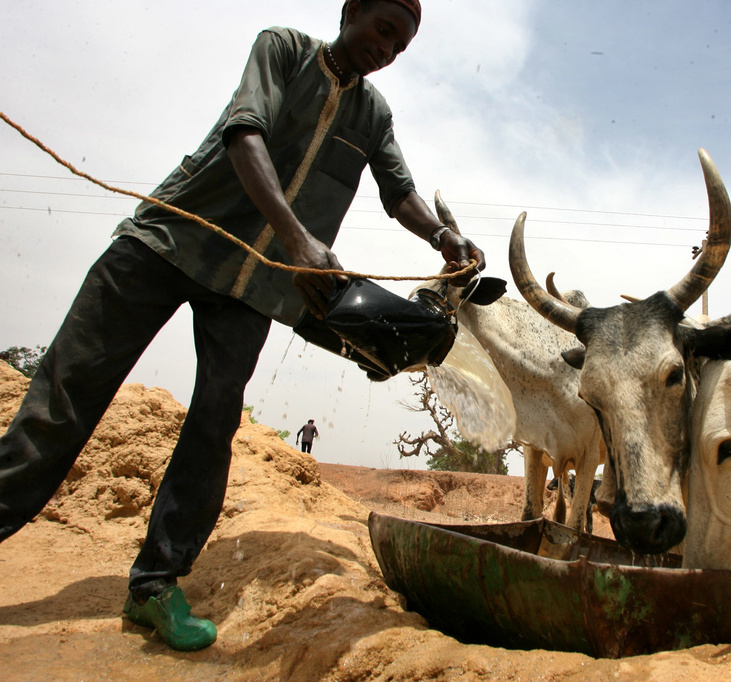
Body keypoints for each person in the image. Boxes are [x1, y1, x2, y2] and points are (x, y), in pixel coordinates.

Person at [0, 0, 485, 652]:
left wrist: (444, 236)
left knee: (212, 428)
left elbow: (398, 193)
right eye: (383, 29)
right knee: (66, 397)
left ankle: (154, 587)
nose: (388, 49)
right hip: (166, 243)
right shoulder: (282, 49)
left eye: (401, 44)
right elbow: (244, 131)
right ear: (352, 12)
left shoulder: (372, 114)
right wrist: (298, 242)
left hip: (251, 289)